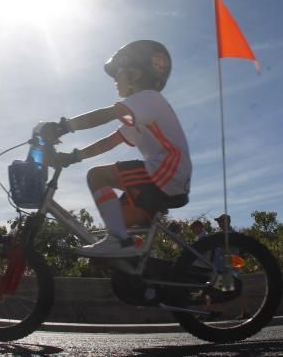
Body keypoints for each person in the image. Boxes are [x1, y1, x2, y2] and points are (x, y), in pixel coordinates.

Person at [38, 40, 191, 258]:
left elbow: (106, 114)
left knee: (97, 176)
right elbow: (110, 141)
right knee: (122, 224)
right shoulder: (142, 111)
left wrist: (63, 127)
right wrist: (73, 156)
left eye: (117, 73)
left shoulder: (148, 99)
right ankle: (142, 266)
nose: (114, 81)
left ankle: (119, 241)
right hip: (170, 178)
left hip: (166, 172)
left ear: (135, 73)